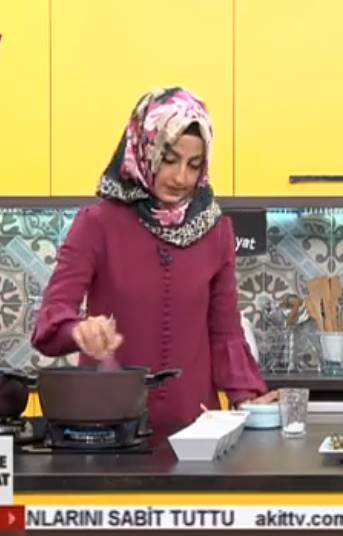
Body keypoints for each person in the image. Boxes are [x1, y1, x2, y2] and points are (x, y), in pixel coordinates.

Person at [31, 87, 272, 429]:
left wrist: (248, 395)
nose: (181, 178)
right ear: (144, 149)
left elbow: (225, 332)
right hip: (109, 427)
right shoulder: (96, 223)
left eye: (194, 165)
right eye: (169, 160)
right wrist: (78, 330)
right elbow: (49, 323)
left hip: (195, 430)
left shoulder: (216, 231)